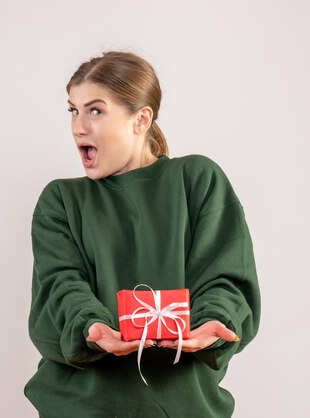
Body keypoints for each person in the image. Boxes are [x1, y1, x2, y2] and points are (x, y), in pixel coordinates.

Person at [24, 50, 261, 417]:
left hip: (185, 408)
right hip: (80, 408)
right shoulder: (61, 200)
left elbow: (226, 275)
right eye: (74, 110)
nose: (78, 127)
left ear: (141, 119)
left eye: (96, 110)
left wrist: (215, 318)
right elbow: (60, 286)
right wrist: (93, 326)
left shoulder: (197, 180)